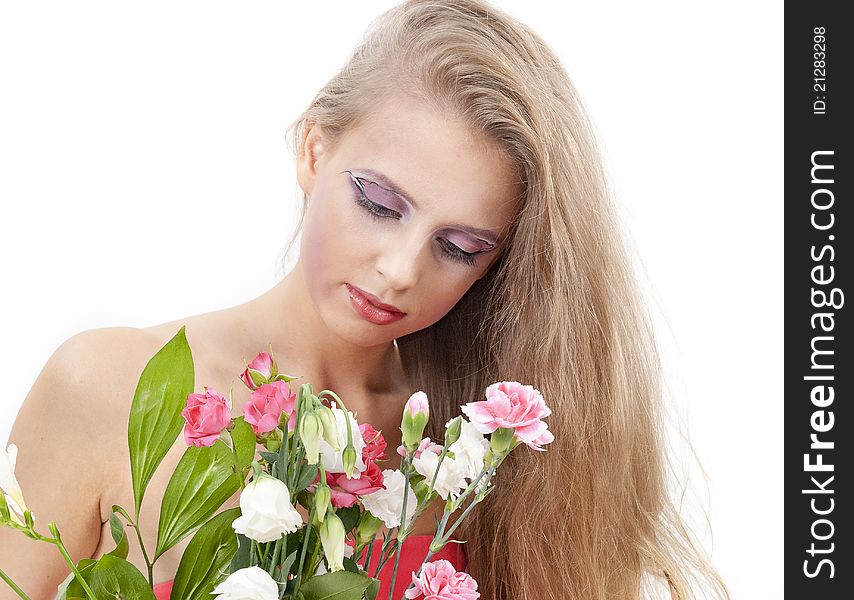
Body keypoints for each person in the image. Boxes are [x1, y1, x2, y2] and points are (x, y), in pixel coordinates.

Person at [0, 1, 730, 598]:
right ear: (314, 149)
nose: (400, 270)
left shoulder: (475, 465)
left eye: (460, 247)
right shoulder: (106, 387)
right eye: (380, 203)